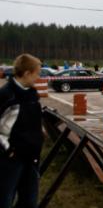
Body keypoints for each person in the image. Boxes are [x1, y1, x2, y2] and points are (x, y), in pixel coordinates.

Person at [0, 54, 43, 208]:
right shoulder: (7, 95)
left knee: (29, 202)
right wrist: (9, 151)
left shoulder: (32, 94)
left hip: (31, 158)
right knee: (5, 200)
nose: (38, 77)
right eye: (37, 73)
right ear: (26, 73)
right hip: (10, 161)